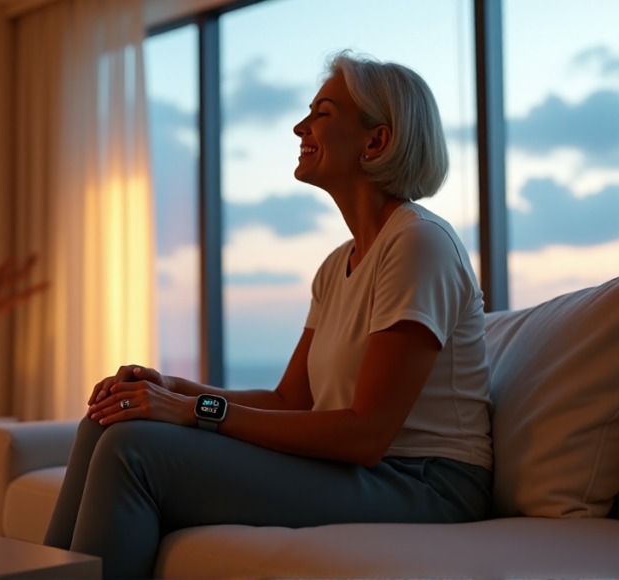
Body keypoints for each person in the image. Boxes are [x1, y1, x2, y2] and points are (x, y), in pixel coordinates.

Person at [43, 50, 494, 579]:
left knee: (134, 450)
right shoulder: (336, 267)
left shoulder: (420, 244)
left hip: (428, 483)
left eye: (322, 113)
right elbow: (290, 401)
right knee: (108, 421)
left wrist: (196, 411)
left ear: (377, 141)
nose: (300, 126)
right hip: (363, 469)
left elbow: (366, 434)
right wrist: (172, 389)